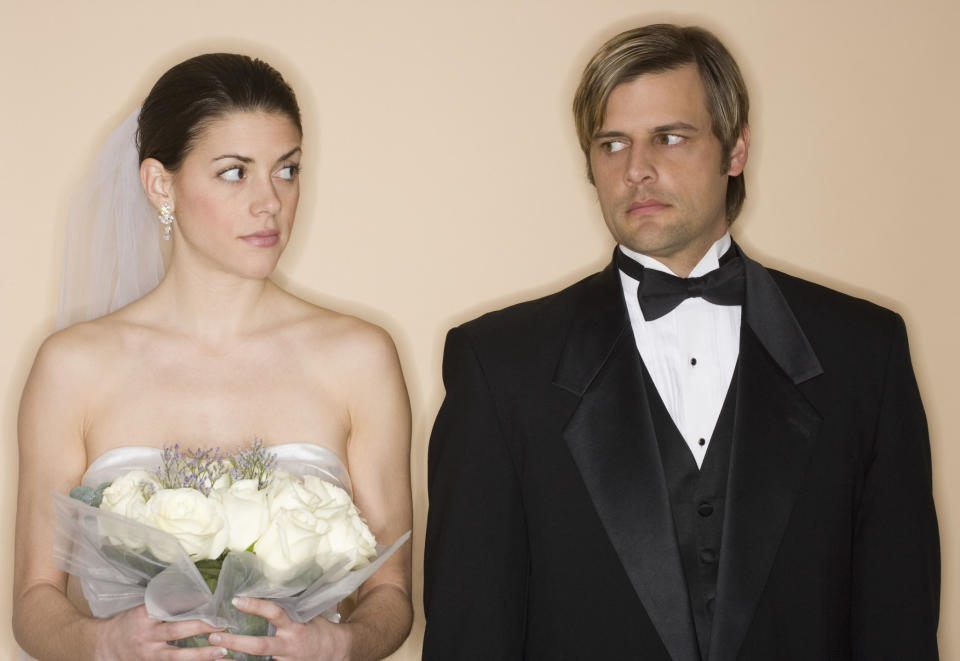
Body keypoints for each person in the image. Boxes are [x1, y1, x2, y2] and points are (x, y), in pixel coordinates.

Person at [423, 23, 940, 660]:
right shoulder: (498, 366)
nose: (637, 169)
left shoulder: (866, 353)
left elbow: (900, 625)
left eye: (670, 137)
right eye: (612, 144)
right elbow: (469, 638)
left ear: (736, 149)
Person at [14, 53, 412, 661]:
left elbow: (392, 593)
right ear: (160, 184)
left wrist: (342, 643)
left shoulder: (358, 357)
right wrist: (105, 643)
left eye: (287, 170)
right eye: (234, 173)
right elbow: (34, 600)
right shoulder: (74, 366)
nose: (269, 203)